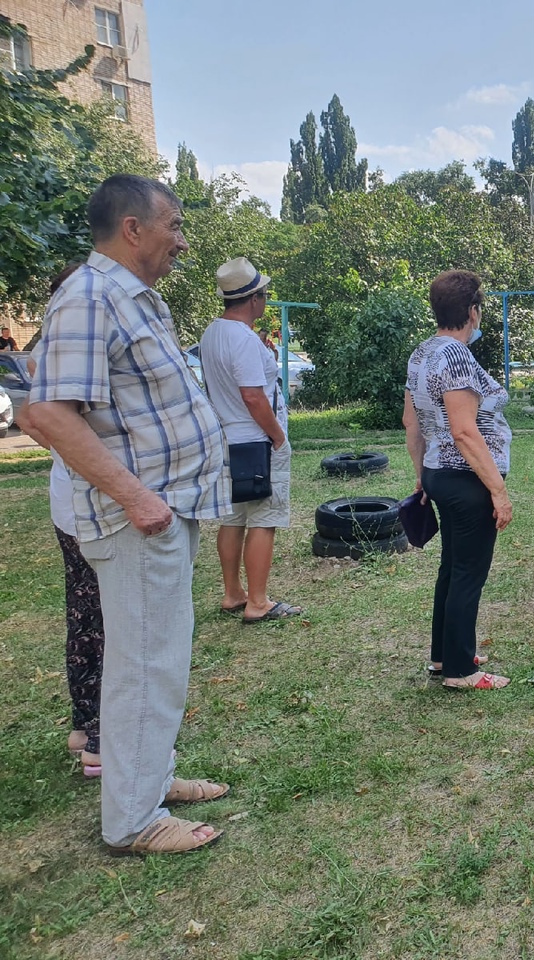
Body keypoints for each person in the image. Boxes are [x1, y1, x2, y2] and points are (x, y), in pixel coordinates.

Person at [24, 174, 231, 856]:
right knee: (144, 664)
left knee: (158, 657)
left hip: (164, 513)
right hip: (138, 519)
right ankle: (133, 821)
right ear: (133, 228)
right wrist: (138, 498)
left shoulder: (133, 299)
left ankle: (151, 779)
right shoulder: (88, 297)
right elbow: (50, 413)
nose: (181, 238)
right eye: (173, 223)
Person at [15, 264, 105, 778]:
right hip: (87, 505)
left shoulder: (44, 347)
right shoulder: (69, 345)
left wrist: (67, 456)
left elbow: (32, 415)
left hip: (68, 503)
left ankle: (82, 724)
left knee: (83, 614)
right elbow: (36, 418)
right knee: (107, 622)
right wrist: (81, 456)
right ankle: (99, 739)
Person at [403, 269, 511, 690]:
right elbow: (465, 432)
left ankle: (443, 655)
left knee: (452, 568)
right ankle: (462, 671)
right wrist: (498, 492)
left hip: (439, 473)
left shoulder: (422, 353)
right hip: (466, 480)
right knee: (468, 572)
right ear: (472, 312)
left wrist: (421, 476)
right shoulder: (455, 356)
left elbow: (411, 422)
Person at [199, 257, 300, 623]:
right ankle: (258, 601)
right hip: (256, 440)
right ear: (254, 298)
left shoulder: (213, 333)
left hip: (226, 437)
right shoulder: (242, 338)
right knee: (263, 519)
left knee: (233, 517)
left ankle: (233, 592)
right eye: (264, 295)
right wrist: (278, 437)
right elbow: (253, 396)